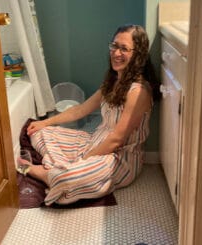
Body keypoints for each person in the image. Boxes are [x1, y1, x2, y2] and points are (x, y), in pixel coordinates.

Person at [19, 24, 159, 206]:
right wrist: (46, 122)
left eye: (124, 49)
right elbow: (81, 109)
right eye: (114, 46)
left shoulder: (138, 92)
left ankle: (41, 172)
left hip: (119, 158)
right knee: (39, 132)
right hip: (94, 142)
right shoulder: (114, 81)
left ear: (138, 54)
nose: (116, 53)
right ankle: (58, 169)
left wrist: (83, 161)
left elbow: (116, 140)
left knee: (66, 180)